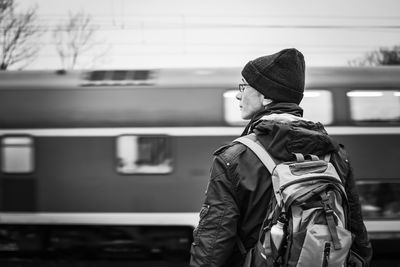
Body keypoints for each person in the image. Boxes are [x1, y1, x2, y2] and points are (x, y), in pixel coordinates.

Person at [189, 48, 372, 267]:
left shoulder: (233, 158)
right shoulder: (336, 156)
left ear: (266, 96)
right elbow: (358, 239)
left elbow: (213, 245)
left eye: (244, 86)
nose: (239, 94)